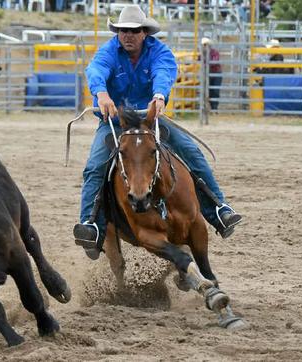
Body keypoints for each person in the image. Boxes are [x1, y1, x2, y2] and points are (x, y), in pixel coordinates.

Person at [73, 6, 242, 252]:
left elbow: (164, 72)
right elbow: (96, 69)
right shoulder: (109, 51)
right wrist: (101, 93)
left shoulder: (158, 51)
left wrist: (159, 95)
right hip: (115, 122)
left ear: (144, 33)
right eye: (123, 31)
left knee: (190, 152)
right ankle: (90, 225)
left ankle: (218, 209)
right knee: (95, 166)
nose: (127, 35)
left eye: (134, 31)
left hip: (149, 120)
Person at [201, 37, 222, 110]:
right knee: (208, 91)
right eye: (204, 45)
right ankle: (209, 107)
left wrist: (205, 62)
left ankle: (214, 108)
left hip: (215, 73)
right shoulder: (202, 53)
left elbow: (214, 62)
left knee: (215, 91)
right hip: (207, 73)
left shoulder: (214, 52)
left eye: (206, 45)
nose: (205, 46)